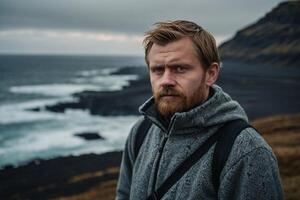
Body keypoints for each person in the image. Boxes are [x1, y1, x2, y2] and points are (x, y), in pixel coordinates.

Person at [116, 20, 283, 200]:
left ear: (211, 74)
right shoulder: (141, 132)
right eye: (157, 70)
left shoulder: (247, 151)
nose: (166, 81)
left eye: (179, 68)